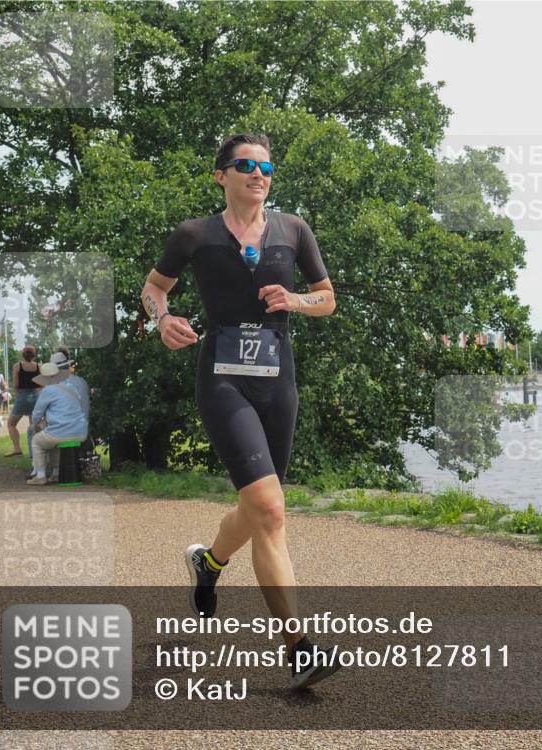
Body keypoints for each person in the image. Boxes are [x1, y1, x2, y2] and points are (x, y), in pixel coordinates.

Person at [141, 133, 339, 691]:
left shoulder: (294, 229)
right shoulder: (195, 235)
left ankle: (208, 563)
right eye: (245, 165)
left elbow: (326, 297)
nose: (258, 173)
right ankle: (300, 648)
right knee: (271, 511)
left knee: (258, 508)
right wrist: (163, 319)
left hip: (279, 381)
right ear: (221, 175)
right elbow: (155, 287)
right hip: (224, 378)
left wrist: (296, 300)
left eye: (266, 166)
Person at [26, 360, 88, 485]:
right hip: (81, 431)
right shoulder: (71, 387)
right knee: (52, 440)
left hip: (61, 432)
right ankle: (56, 473)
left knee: (37, 441)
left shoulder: (49, 390)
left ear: (46, 378)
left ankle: (40, 475)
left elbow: (37, 413)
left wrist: (35, 424)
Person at [6, 346, 41, 456]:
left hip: (22, 396)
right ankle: (35, 452)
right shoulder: (39, 366)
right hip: (36, 396)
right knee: (34, 425)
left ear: (23, 354)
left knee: (11, 424)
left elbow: (16, 385)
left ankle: (17, 448)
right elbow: (42, 384)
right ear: (34, 355)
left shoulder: (17, 366)